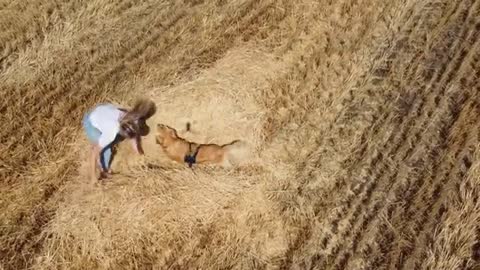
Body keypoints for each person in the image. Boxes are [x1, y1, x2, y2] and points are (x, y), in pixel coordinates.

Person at [82, 98, 156, 183]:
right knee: (106, 152)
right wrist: (93, 177)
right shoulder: (111, 131)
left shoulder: (131, 118)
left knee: (115, 139)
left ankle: (106, 146)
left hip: (105, 109)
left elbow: (134, 139)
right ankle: (103, 171)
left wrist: (141, 157)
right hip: (91, 119)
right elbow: (94, 152)